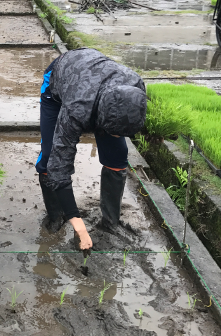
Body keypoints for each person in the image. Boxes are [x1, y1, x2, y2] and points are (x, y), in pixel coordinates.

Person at [35, 48, 147, 251]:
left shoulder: (135, 87)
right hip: (60, 82)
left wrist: (115, 133)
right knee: (50, 157)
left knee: (117, 155)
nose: (114, 135)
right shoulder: (77, 109)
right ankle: (55, 217)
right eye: (109, 130)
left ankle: (110, 222)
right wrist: (80, 228)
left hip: (99, 82)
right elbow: (60, 166)